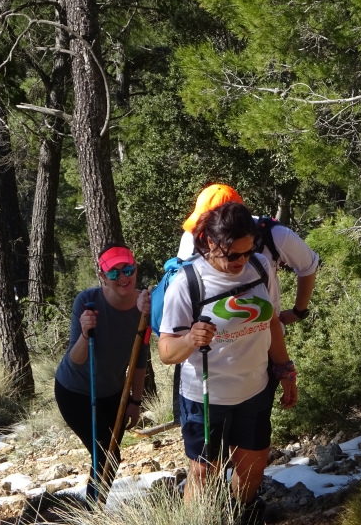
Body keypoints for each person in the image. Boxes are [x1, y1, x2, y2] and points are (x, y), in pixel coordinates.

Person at [155, 202, 297, 523]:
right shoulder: (188, 283)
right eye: (232, 255)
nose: (241, 261)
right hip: (206, 397)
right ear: (209, 242)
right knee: (204, 473)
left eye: (247, 251)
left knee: (253, 467)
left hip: (255, 388)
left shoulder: (261, 266)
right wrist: (190, 339)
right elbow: (165, 352)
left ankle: (240, 515)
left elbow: (272, 323)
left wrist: (285, 370)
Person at [54, 244, 150, 504]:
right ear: (102, 276)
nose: (123, 277)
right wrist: (86, 334)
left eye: (127, 269)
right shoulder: (87, 301)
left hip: (113, 392)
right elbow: (76, 359)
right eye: (114, 272)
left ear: (135, 269)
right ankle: (92, 513)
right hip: (75, 391)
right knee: (106, 456)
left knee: (110, 457)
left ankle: (92, 510)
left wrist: (135, 401)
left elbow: (140, 359)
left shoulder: (144, 306)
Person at [177, 184, 319, 325]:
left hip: (266, 330)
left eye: (248, 253)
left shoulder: (274, 235)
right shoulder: (192, 238)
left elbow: (308, 264)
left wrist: (298, 311)